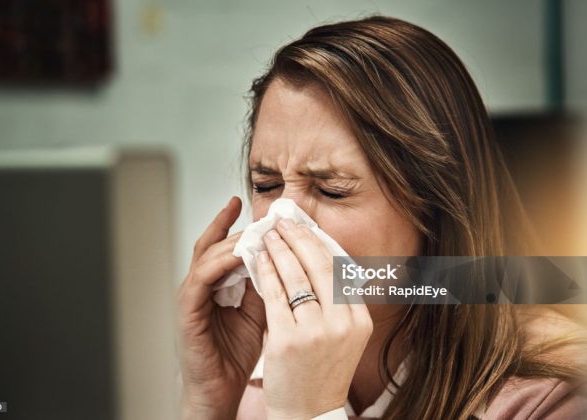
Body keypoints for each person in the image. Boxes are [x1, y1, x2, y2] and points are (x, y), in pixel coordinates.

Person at [178, 16, 587, 419]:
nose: (283, 221)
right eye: (266, 185)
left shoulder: (555, 393)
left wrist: (311, 412)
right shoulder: (258, 376)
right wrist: (209, 402)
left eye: (332, 189)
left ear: (433, 203)